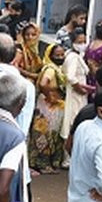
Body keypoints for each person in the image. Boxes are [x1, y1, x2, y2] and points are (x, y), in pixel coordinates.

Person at [29, 43, 66, 173]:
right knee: (46, 135)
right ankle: (42, 164)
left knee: (48, 134)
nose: (61, 57)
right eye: (57, 55)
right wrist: (49, 95)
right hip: (49, 106)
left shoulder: (55, 68)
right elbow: (43, 82)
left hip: (51, 105)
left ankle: (43, 163)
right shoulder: (51, 69)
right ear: (50, 56)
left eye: (62, 54)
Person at [61, 28, 92, 143]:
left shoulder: (78, 55)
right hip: (75, 96)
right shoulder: (73, 57)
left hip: (79, 95)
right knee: (73, 120)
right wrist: (80, 89)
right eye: (79, 42)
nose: (82, 45)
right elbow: (70, 76)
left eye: (84, 42)